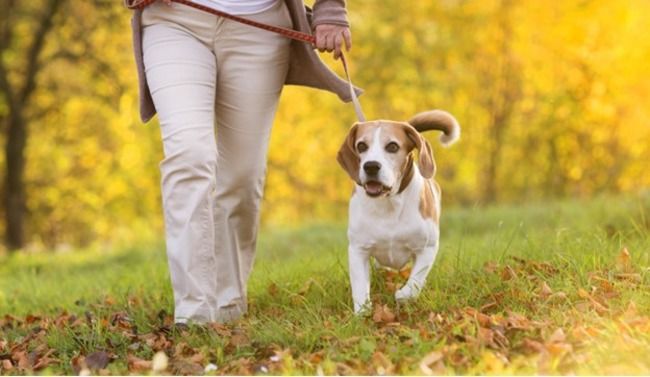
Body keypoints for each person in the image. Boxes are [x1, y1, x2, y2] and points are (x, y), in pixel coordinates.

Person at [126, 0, 361, 324]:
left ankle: (227, 305)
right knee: (189, 154)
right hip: (173, 21)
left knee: (242, 176)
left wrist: (331, 11)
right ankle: (194, 315)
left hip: (258, 29)